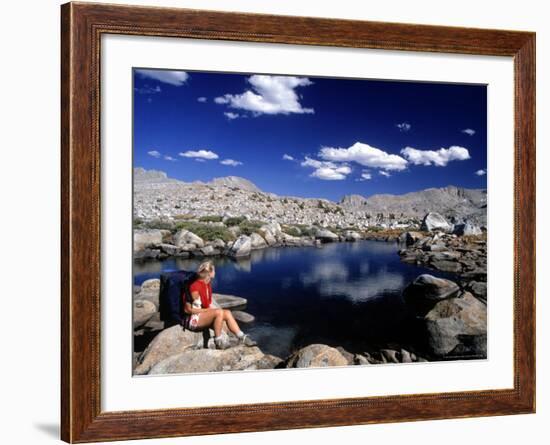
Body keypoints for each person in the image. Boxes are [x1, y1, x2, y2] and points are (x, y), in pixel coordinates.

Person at [183, 260, 257, 350]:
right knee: (219, 312)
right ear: (209, 273)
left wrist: (208, 310)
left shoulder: (207, 284)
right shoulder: (194, 286)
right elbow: (187, 310)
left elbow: (207, 304)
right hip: (192, 319)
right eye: (214, 270)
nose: (215, 272)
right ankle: (218, 342)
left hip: (202, 315)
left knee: (227, 312)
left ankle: (242, 337)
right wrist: (208, 310)